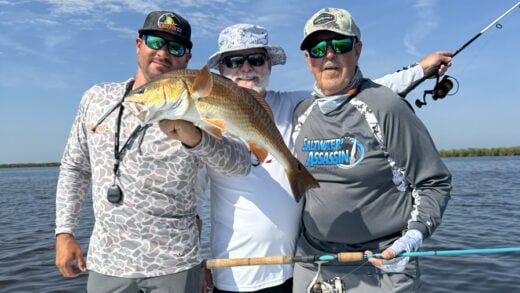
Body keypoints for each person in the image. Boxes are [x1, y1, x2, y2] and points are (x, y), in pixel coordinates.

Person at [201, 24, 452, 292]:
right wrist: (198, 262)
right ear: (221, 69)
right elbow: (189, 197)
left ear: (270, 65)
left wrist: (419, 71)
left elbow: (359, 90)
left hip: (295, 267)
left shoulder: (297, 106)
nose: (246, 68)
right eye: (234, 61)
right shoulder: (200, 119)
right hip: (233, 273)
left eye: (256, 59)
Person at [54, 11, 251, 293]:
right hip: (107, 262)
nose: (163, 52)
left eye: (175, 47)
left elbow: (240, 165)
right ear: (138, 44)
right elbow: (75, 167)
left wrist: (195, 138)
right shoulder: (97, 98)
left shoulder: (204, 105)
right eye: (155, 41)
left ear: (187, 59)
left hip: (176, 263)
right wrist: (64, 232)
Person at [291, 8, 452, 292]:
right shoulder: (302, 112)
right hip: (313, 262)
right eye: (317, 48)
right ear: (307, 59)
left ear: (358, 50)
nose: (329, 55)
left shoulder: (386, 107)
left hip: (383, 264)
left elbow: (434, 182)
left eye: (339, 45)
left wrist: (412, 237)